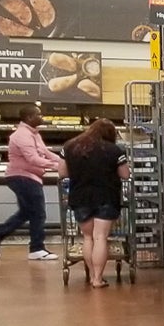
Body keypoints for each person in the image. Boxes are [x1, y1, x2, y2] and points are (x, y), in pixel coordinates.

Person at [0, 105, 63, 261]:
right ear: (29, 118)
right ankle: (36, 248)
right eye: (39, 114)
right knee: (38, 213)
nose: (42, 117)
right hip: (23, 177)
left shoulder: (34, 134)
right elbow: (33, 158)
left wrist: (64, 161)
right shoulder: (21, 135)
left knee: (26, 212)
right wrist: (57, 166)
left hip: (29, 177)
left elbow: (45, 152)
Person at [62, 118, 128, 288]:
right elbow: (125, 174)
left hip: (80, 197)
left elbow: (61, 172)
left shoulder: (70, 146)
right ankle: (98, 279)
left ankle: (92, 275)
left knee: (88, 237)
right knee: (101, 237)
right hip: (106, 197)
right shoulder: (114, 150)